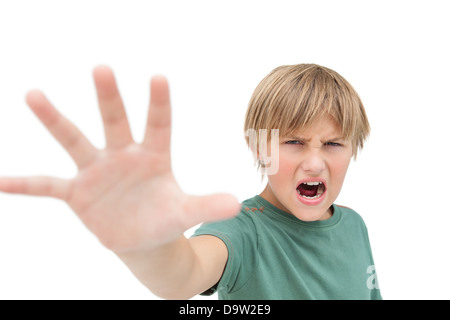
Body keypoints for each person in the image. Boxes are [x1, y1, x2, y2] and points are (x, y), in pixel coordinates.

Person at [0, 63, 381, 300]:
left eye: (333, 144)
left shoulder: (355, 226)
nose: (315, 162)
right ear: (259, 147)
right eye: (294, 142)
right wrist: (146, 247)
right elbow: (183, 274)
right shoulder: (240, 230)